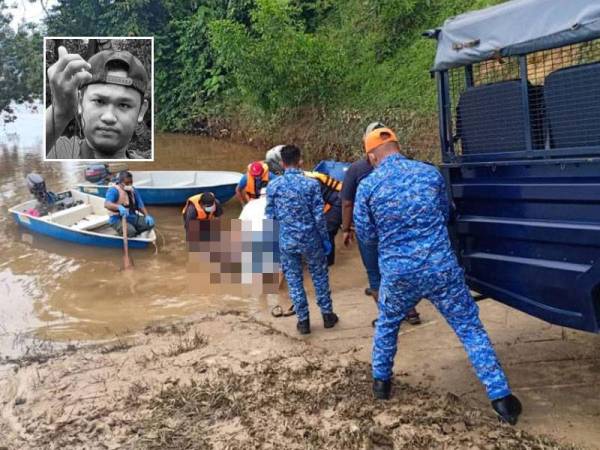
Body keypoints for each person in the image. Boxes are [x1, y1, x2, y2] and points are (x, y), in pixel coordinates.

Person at [354, 127, 522, 424]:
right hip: (440, 268)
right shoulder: (429, 174)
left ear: (371, 156)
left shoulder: (367, 187)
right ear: (397, 146)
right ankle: (502, 400)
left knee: (387, 324)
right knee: (470, 328)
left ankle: (381, 384)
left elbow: (365, 236)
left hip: (398, 273)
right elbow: (447, 214)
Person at [341, 122, 421, 326]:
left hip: (371, 231)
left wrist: (346, 229)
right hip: (402, 228)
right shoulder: (412, 166)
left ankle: (389, 318)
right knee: (401, 268)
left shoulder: (357, 170)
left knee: (375, 273)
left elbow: (347, 203)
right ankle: (411, 311)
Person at [265, 145, 339, 335]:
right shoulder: (311, 184)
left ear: (282, 163)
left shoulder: (273, 186)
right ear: (300, 161)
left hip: (287, 241)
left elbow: (270, 216)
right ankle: (328, 316)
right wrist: (325, 239)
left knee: (294, 279)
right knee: (320, 277)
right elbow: (319, 217)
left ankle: (304, 321)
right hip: (311, 240)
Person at [46, 45, 149, 159]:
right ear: (80, 102)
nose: (108, 117)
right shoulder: (58, 152)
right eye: (99, 101)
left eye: (123, 105)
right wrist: (60, 112)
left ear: (141, 111)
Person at [304, 170, 342, 266]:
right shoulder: (305, 178)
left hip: (338, 201)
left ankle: (328, 261)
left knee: (328, 230)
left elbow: (316, 206)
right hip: (331, 200)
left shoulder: (312, 182)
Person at [104, 171, 155, 237]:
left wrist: (147, 215)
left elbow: (140, 205)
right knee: (131, 231)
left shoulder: (133, 190)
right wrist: (118, 207)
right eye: (127, 183)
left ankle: (133, 232)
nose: (129, 185)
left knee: (150, 224)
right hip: (117, 219)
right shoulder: (113, 190)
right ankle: (126, 233)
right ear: (120, 182)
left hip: (131, 217)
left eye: (131, 182)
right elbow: (107, 204)